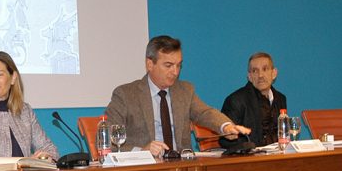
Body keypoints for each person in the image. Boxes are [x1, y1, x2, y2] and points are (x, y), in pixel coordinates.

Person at [105, 35, 251, 157]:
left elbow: (204, 113)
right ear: (150, 64)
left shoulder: (185, 90)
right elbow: (109, 140)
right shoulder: (126, 94)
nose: (175, 72)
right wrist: (142, 152)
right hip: (144, 170)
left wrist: (226, 126)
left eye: (179, 65)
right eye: (168, 65)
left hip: (182, 166)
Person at [0, 51, 59, 162]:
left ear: (13, 77)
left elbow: (50, 149)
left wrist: (45, 158)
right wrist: (22, 162)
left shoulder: (25, 111)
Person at [219, 52, 287, 148]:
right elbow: (225, 140)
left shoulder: (281, 99)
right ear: (249, 77)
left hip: (276, 157)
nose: (260, 75)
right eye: (255, 71)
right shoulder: (236, 100)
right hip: (250, 159)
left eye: (265, 69)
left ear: (274, 73)